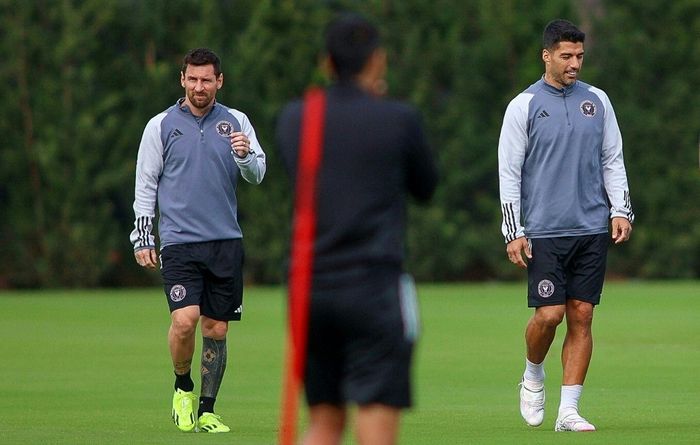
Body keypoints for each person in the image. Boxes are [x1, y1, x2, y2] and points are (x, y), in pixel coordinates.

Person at [276, 13, 438, 445]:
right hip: (372, 287)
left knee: (324, 423)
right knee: (375, 420)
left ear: (326, 62)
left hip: (310, 288)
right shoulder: (398, 119)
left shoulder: (296, 118)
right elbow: (426, 187)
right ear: (378, 61)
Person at [498, 19, 634, 432]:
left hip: (591, 228)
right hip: (543, 231)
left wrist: (620, 210)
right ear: (547, 55)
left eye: (579, 56)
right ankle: (533, 374)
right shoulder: (523, 105)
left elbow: (613, 159)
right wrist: (513, 230)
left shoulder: (598, 101)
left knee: (582, 314)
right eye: (566, 56)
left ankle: (568, 411)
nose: (574, 63)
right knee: (550, 315)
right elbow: (509, 171)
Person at [130, 47, 266, 433]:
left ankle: (207, 410)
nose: (199, 86)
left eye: (207, 79)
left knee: (216, 329)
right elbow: (146, 184)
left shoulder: (236, 121)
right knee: (185, 320)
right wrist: (143, 237)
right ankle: (182, 387)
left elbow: (258, 172)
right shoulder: (160, 125)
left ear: (219, 81)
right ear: (182, 79)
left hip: (225, 240)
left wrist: (244, 156)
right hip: (178, 242)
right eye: (193, 78)